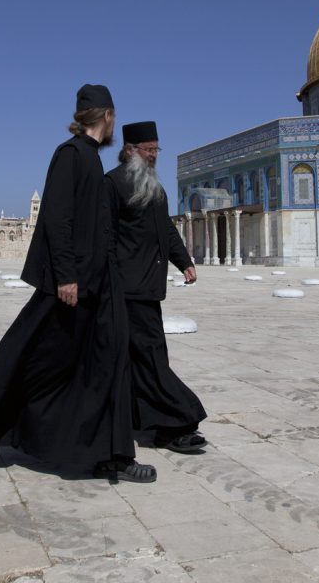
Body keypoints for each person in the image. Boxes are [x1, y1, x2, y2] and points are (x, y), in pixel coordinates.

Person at [0, 84, 153, 483]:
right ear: (108, 116)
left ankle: (112, 456)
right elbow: (56, 219)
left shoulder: (91, 160)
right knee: (30, 356)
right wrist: (66, 276)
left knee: (108, 363)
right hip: (73, 286)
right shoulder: (70, 156)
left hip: (99, 284)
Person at [105, 121, 207, 453]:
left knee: (145, 357)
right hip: (127, 288)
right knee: (150, 357)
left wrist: (184, 261)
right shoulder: (114, 184)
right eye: (148, 150)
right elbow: (103, 238)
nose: (153, 156)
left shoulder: (155, 188)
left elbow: (165, 229)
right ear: (130, 150)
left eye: (156, 150)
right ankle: (177, 421)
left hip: (149, 288)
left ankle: (148, 422)